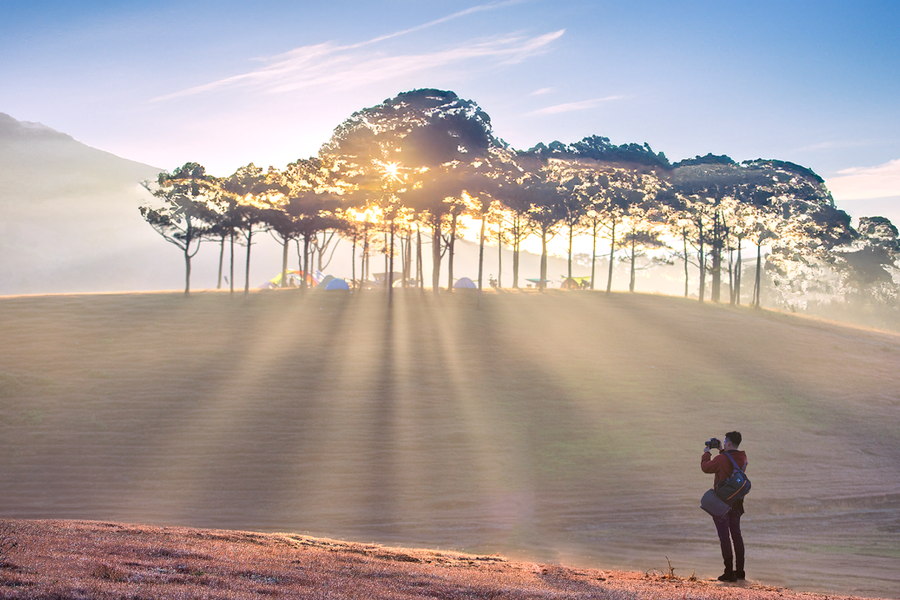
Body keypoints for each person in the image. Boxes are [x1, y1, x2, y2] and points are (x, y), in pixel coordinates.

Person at [701, 431, 747, 583]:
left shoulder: (721, 459)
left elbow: (706, 467)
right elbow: (731, 463)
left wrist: (707, 453)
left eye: (725, 441)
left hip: (721, 503)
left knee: (724, 537)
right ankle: (740, 571)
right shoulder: (742, 457)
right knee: (736, 536)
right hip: (737, 502)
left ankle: (728, 572)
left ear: (727, 442)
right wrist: (721, 450)